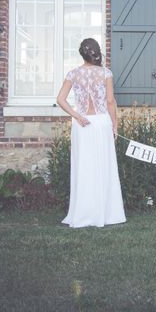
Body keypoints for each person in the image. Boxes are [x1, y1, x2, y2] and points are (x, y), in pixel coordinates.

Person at [56, 38, 126, 228]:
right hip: (101, 123)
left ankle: (82, 213)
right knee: (103, 166)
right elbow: (110, 102)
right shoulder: (105, 73)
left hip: (82, 124)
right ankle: (106, 214)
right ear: (97, 53)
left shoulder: (73, 74)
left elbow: (60, 99)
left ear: (82, 54)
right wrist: (115, 125)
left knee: (83, 167)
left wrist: (76, 115)